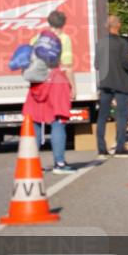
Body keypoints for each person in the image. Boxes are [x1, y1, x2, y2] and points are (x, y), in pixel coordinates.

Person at [23, 10, 76, 174]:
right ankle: (59, 164)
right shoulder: (63, 39)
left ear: (49, 22)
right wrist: (73, 86)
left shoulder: (36, 38)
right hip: (56, 81)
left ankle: (31, 164)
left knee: (36, 121)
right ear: (63, 24)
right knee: (58, 120)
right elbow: (66, 66)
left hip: (37, 82)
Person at [95, 15, 128, 159]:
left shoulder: (100, 43)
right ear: (118, 26)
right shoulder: (123, 43)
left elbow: (96, 65)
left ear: (107, 26)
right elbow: (125, 63)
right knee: (121, 115)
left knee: (102, 116)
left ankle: (101, 149)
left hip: (105, 83)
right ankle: (120, 147)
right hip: (120, 83)